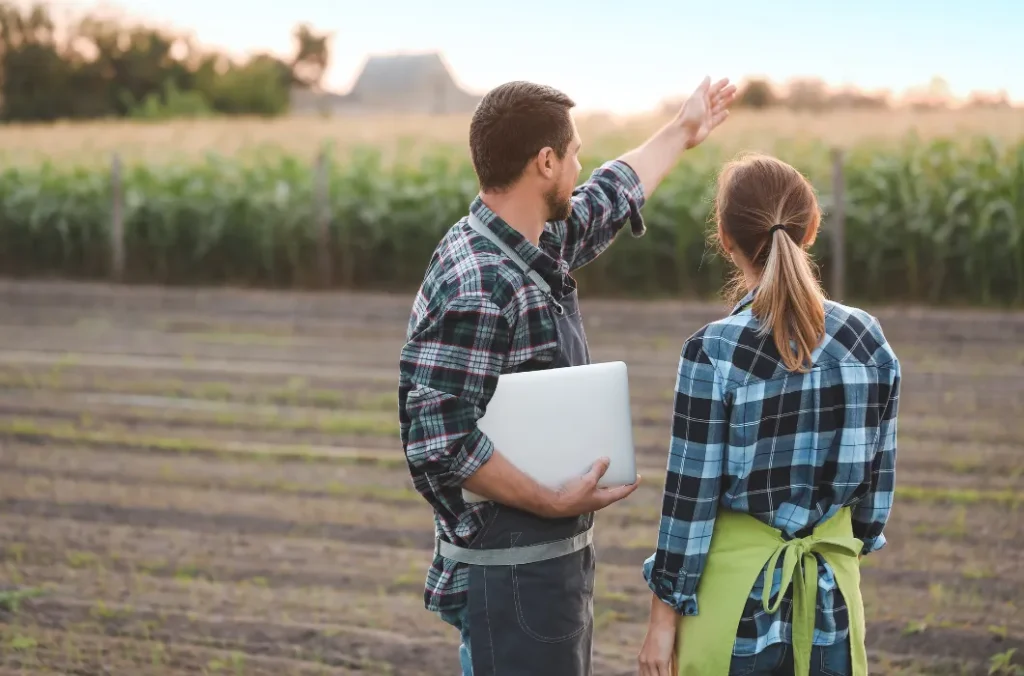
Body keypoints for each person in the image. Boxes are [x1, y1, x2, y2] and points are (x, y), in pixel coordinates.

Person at [398, 76, 737, 676]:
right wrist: (552, 500)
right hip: (514, 575)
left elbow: (611, 194)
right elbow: (438, 440)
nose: (583, 165)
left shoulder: (526, 242)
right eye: (575, 152)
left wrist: (683, 130)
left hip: (542, 566)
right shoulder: (480, 283)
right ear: (545, 161)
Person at [637, 153, 901, 676]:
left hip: (735, 615)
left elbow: (689, 504)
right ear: (811, 231)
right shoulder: (868, 341)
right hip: (831, 607)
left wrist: (662, 621)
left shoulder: (713, 352)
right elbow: (872, 507)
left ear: (725, 237)